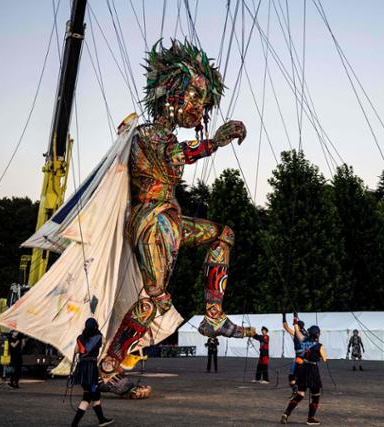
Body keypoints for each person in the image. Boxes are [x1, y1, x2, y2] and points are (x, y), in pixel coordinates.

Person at [98, 40, 253, 392]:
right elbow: (175, 156)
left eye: (203, 101)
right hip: (152, 220)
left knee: (222, 234)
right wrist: (214, 142)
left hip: (168, 217)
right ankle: (108, 366)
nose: (199, 107)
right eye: (195, 97)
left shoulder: (160, 137)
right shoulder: (147, 135)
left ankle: (213, 314)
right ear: (170, 92)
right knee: (155, 300)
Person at [280, 324, 326, 425]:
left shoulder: (303, 340)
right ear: (317, 334)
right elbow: (324, 358)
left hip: (303, 369)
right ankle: (310, 418)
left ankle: (286, 413)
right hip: (313, 371)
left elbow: (297, 331)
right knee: (315, 396)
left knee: (300, 394)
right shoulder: (319, 346)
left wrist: (295, 322)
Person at [71, 318, 113, 427]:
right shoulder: (98, 337)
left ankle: (102, 420)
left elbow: (76, 350)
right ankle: (74, 424)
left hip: (82, 369)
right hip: (91, 369)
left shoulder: (80, 338)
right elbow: (107, 342)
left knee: (94, 394)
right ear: (96, 326)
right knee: (88, 396)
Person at [283, 313, 307, 394]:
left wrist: (283, 316)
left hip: (299, 358)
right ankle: (298, 389)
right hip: (305, 358)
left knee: (292, 376)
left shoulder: (297, 333)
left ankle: (296, 390)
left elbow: (286, 327)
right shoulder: (306, 334)